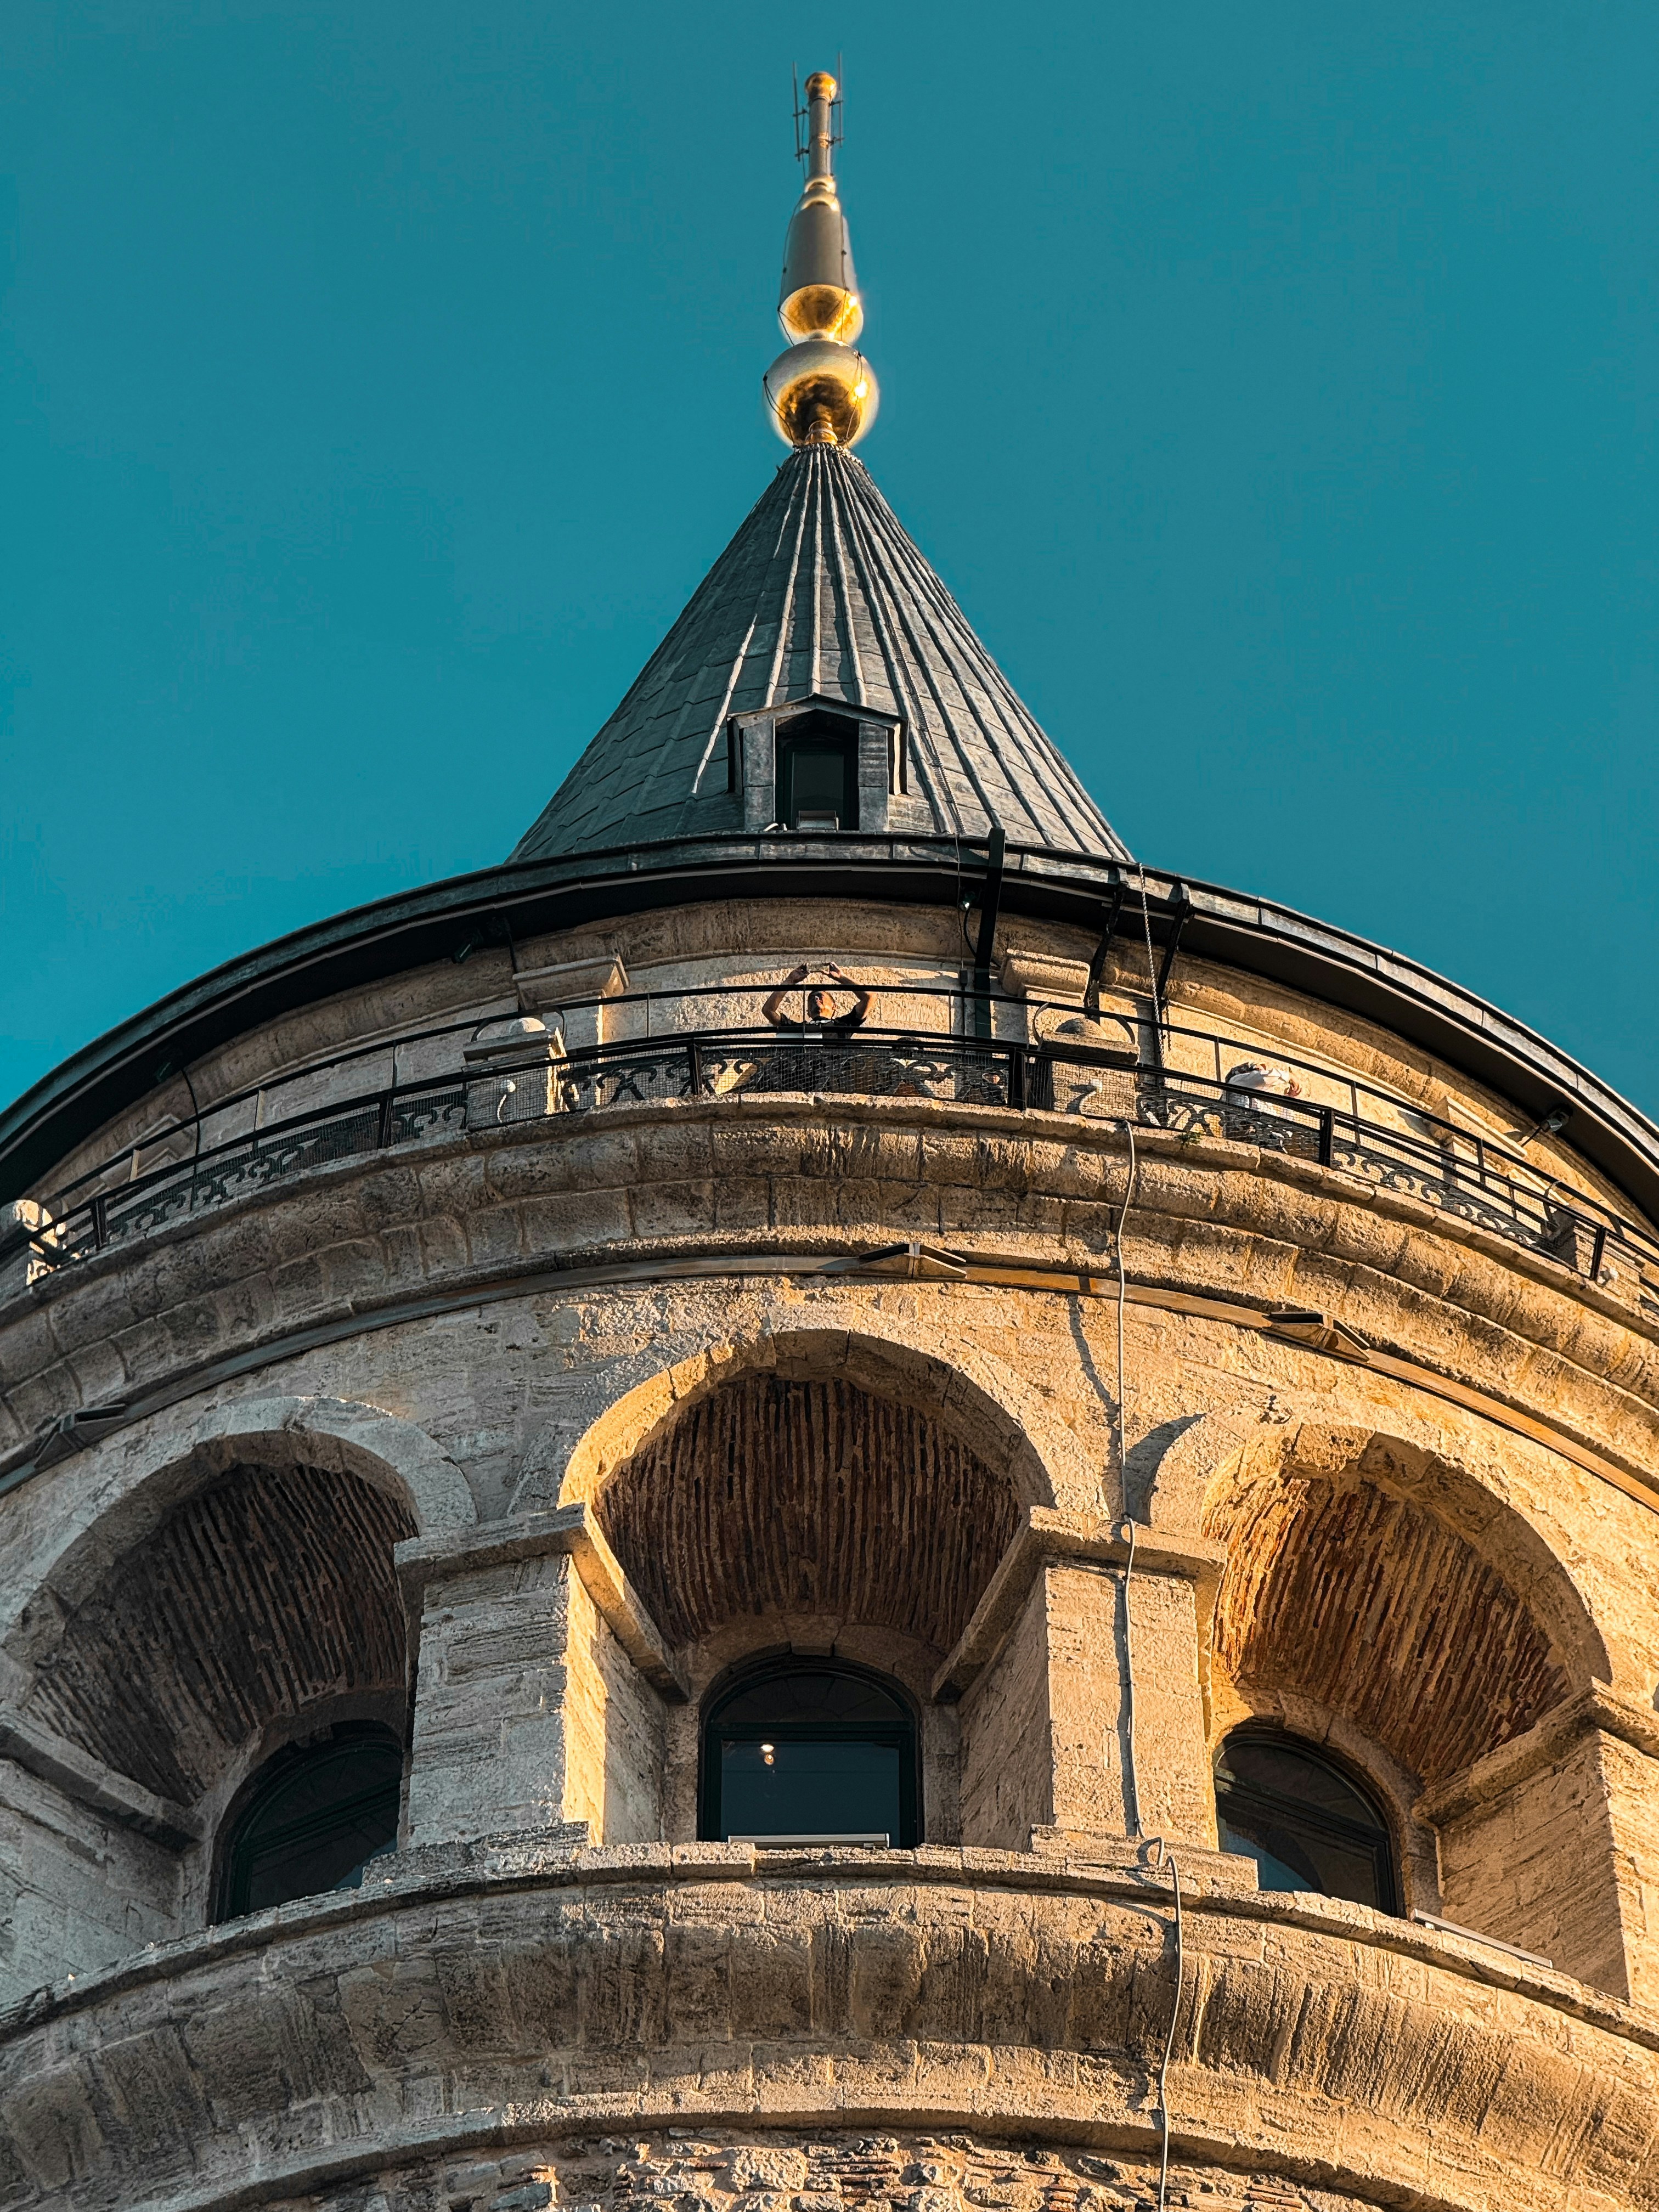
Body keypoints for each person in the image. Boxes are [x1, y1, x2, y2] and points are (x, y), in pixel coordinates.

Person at [754, 964, 876, 1093]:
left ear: (834, 1006)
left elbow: (869, 997)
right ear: (807, 1012)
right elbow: (768, 1010)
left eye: (820, 996)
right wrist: (790, 981)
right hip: (795, 1087)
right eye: (812, 998)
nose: (816, 998)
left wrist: (842, 978)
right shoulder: (797, 1028)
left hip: (832, 1087)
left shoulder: (842, 1026)